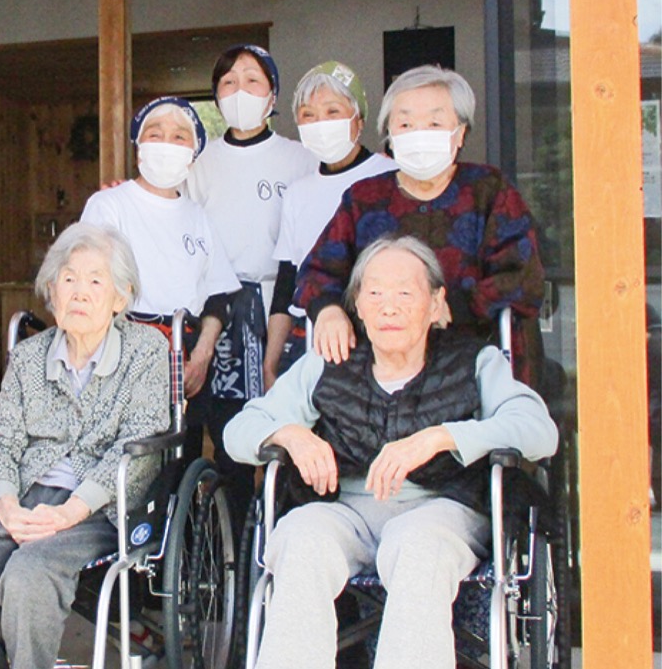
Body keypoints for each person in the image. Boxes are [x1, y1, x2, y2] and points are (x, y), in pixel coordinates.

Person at [225, 235, 558, 669]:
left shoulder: (475, 361)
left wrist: (440, 438)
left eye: (405, 294)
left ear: (436, 305)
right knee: (299, 537)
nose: (388, 307)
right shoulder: (327, 363)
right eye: (375, 294)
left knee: (418, 545)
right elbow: (239, 431)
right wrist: (290, 434)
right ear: (358, 307)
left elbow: (539, 431)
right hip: (347, 513)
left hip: (443, 511)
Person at [0, 222, 170, 669]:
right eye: (69, 279)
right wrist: (6, 505)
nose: (79, 293)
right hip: (23, 497)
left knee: (28, 576)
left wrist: (70, 512)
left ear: (120, 298)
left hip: (99, 505)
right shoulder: (28, 357)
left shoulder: (146, 352)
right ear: (51, 292)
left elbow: (139, 442)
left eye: (95, 281)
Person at [295, 64, 546, 387]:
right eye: (405, 123)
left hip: (474, 361)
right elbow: (317, 272)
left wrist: (449, 307)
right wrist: (327, 309)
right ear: (389, 134)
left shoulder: (489, 190)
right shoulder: (364, 198)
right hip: (379, 372)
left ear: (460, 133)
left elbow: (523, 278)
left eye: (434, 123)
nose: (418, 133)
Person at [181, 45, 318, 527]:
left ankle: (289, 531)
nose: (240, 91)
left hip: (287, 304)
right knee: (230, 437)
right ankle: (234, 542)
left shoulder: (301, 159)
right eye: (229, 82)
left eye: (253, 80)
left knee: (292, 426)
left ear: (273, 95)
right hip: (220, 311)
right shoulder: (200, 163)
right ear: (217, 97)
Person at [80, 96, 240, 467]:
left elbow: (218, 297)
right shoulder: (109, 205)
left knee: (182, 459)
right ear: (138, 145)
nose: (167, 143)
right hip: (123, 351)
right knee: (129, 462)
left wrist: (201, 355)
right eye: (155, 134)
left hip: (187, 351)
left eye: (179, 136)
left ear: (193, 153)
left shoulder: (198, 216)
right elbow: (89, 287)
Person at [265, 61, 398, 388]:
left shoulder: (389, 177)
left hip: (373, 338)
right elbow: (287, 283)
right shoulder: (298, 193)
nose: (320, 123)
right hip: (306, 339)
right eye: (308, 115)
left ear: (359, 120)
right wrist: (271, 360)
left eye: (332, 111)